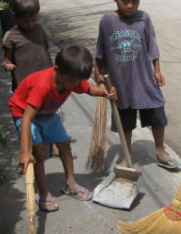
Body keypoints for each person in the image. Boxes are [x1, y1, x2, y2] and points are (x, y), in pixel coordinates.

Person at [9, 45, 116, 212]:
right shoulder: (42, 86)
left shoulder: (71, 79)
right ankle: (43, 192)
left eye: (76, 81)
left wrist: (104, 93)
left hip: (48, 113)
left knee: (64, 145)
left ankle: (71, 183)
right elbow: (27, 117)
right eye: (72, 81)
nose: (73, 85)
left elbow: (88, 88)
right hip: (24, 113)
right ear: (57, 70)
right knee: (39, 152)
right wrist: (24, 152)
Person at [93, 0, 180, 170]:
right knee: (126, 121)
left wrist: (157, 70)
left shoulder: (144, 19)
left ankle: (160, 151)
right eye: (125, 1)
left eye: (135, 1)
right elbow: (100, 49)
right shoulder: (107, 21)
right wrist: (97, 71)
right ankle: (127, 155)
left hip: (144, 80)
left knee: (157, 114)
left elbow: (152, 46)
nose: (130, 6)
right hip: (120, 84)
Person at [2, 0, 59, 159]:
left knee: (51, 113)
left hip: (47, 82)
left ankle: (55, 145)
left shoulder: (40, 30)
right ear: (16, 17)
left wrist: (55, 71)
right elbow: (7, 59)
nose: (30, 24)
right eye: (25, 21)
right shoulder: (11, 37)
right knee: (29, 118)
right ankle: (29, 151)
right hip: (25, 87)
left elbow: (47, 51)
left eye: (34, 19)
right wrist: (8, 64)